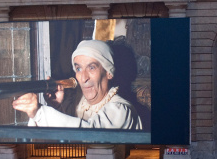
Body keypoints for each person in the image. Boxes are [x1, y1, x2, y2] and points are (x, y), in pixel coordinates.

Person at [12, 40, 142, 130]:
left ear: (109, 73)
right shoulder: (79, 105)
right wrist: (56, 107)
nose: (83, 78)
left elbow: (89, 134)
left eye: (91, 67)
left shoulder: (122, 111)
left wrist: (39, 112)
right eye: (78, 69)